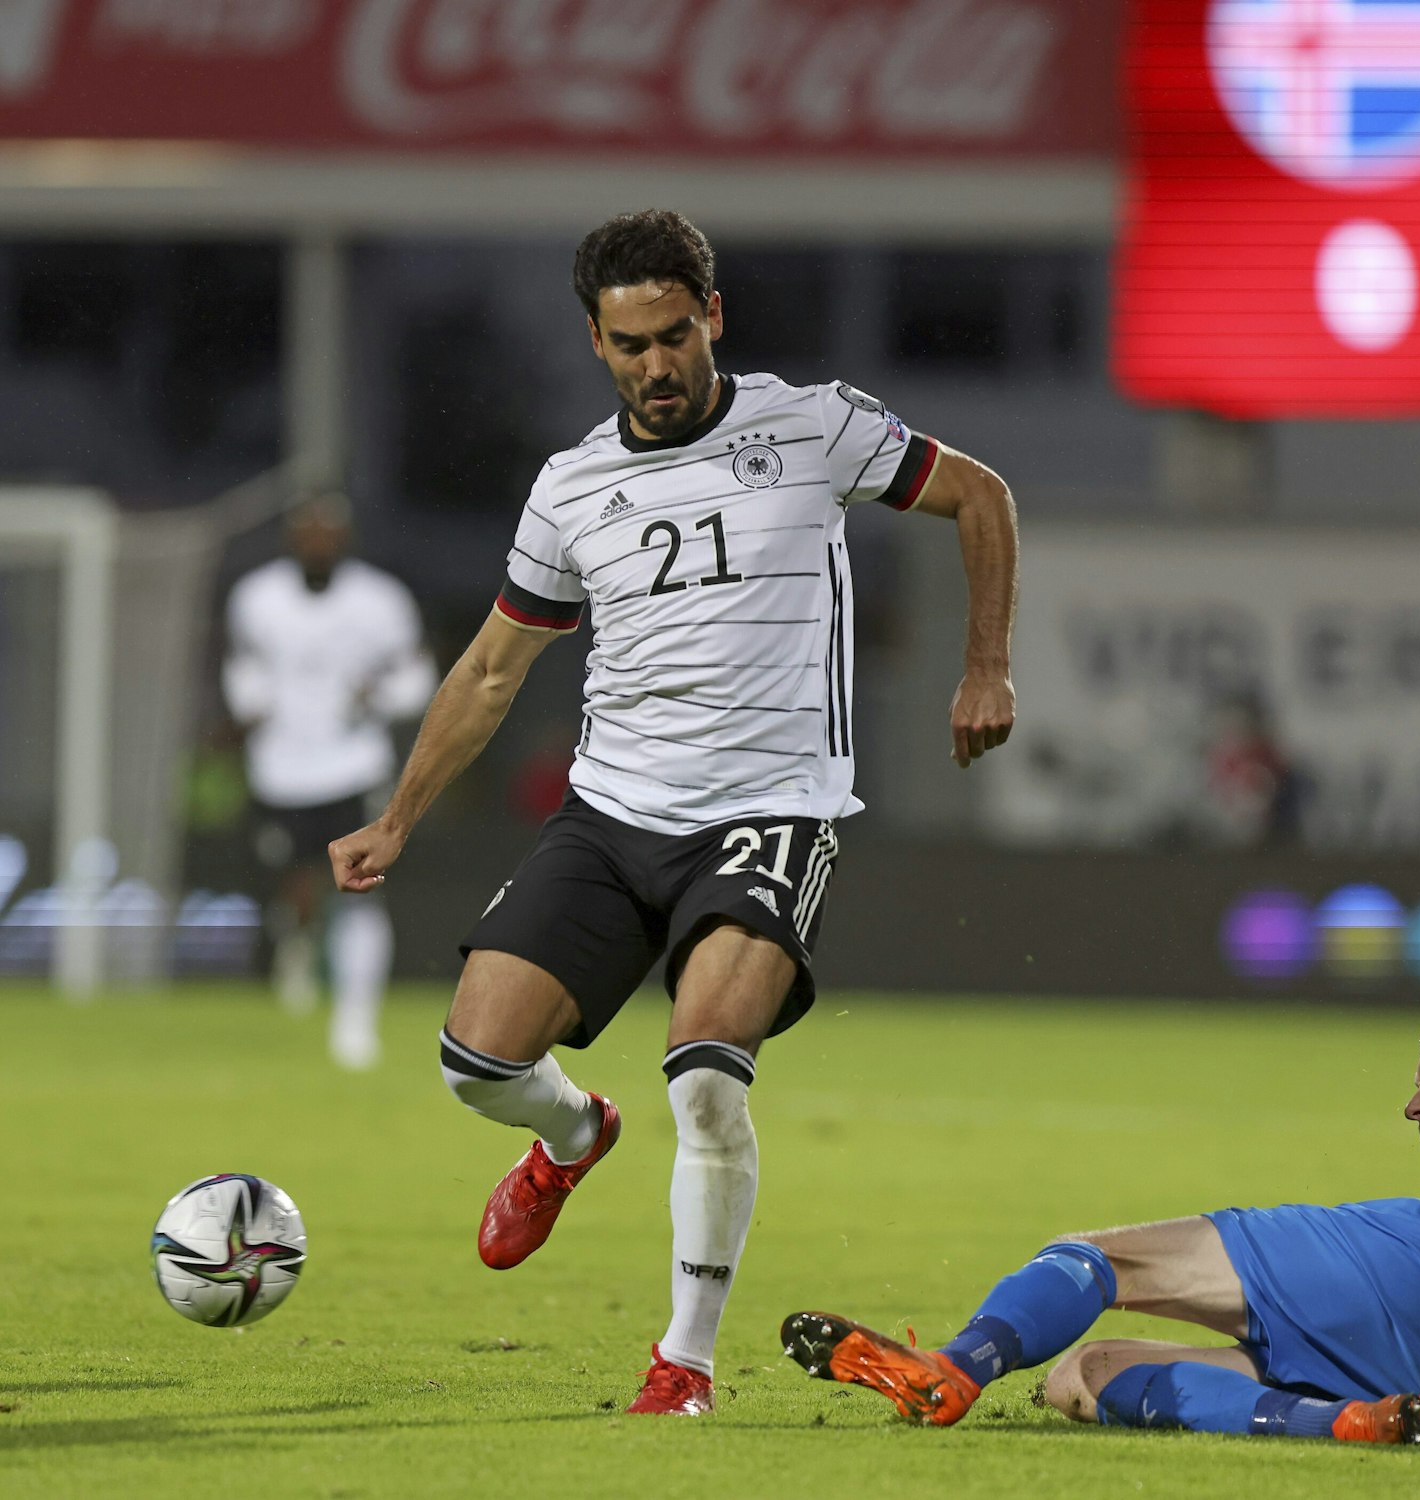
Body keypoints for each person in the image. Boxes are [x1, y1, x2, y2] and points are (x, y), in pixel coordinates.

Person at [327, 209, 1019, 1416]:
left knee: (703, 1081)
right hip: (610, 814)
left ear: (713, 319)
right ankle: (572, 1136)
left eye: (674, 336)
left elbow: (982, 496)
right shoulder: (570, 488)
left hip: (769, 813)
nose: (656, 365)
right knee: (474, 1062)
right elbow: (491, 669)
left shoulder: (813, 426)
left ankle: (682, 1364)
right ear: (594, 344)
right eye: (630, 344)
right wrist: (398, 819)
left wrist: (985, 667)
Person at [781, 1004, 1420, 1443]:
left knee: (1093, 1260)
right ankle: (1346, 1423)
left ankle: (953, 1369)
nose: (1413, 1103)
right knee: (1080, 1377)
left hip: (1412, 1270)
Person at [223, 493, 435, 1069]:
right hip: (281, 769)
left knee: (362, 891)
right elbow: (242, 667)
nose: (317, 542)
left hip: (352, 766)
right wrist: (250, 704)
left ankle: (355, 1020)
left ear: (344, 538)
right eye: (307, 532)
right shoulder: (258, 597)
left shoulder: (380, 600)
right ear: (292, 538)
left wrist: (381, 697)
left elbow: (417, 675)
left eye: (327, 532)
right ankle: (297, 942)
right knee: (295, 889)